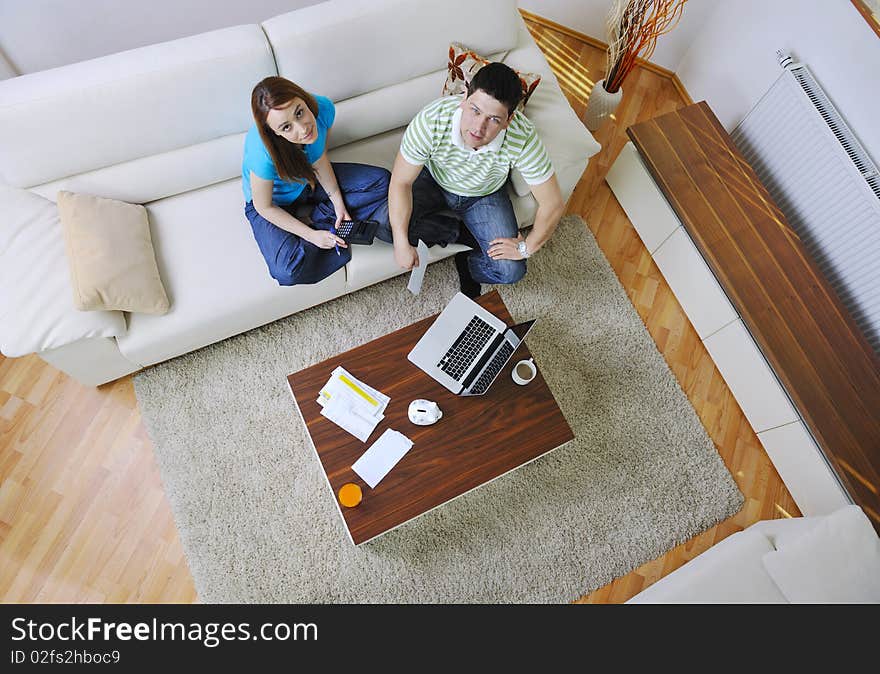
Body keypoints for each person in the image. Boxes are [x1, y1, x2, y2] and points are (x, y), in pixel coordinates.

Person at [382, 62, 565, 298]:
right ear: (464, 98)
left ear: (509, 120)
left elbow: (553, 203)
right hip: (434, 181)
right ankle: (460, 233)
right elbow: (401, 183)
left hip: (484, 194)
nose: (478, 128)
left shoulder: (523, 136)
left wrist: (526, 247)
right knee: (387, 224)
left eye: (494, 120)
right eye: (475, 110)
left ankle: (469, 262)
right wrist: (400, 241)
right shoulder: (431, 120)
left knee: (511, 271)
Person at [243, 76, 391, 285]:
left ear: (302, 98)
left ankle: (318, 219)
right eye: (286, 127)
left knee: (382, 182)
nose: (302, 129)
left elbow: (319, 158)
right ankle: (319, 230)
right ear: (274, 133)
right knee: (288, 270)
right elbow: (263, 207)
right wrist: (311, 236)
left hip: (307, 180)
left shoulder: (322, 108)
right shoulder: (262, 152)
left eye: (300, 112)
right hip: (272, 204)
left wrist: (338, 204)